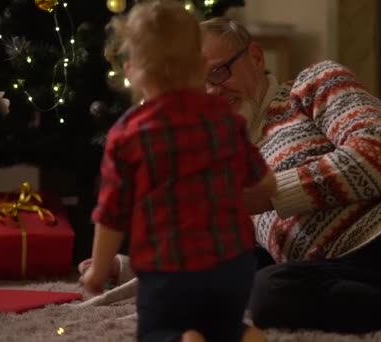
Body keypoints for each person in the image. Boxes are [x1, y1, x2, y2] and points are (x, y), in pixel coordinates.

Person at [81, 16, 381, 342]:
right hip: (342, 265)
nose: (212, 92)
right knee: (268, 294)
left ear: (254, 58)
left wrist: (266, 197)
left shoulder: (312, 83)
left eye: (220, 72)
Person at [78, 3, 274, 342]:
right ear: (200, 66)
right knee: (223, 325)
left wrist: (97, 270)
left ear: (131, 71)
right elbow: (265, 181)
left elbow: (111, 215)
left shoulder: (126, 134)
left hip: (169, 270)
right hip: (233, 264)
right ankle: (244, 336)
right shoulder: (225, 119)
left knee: (159, 330)